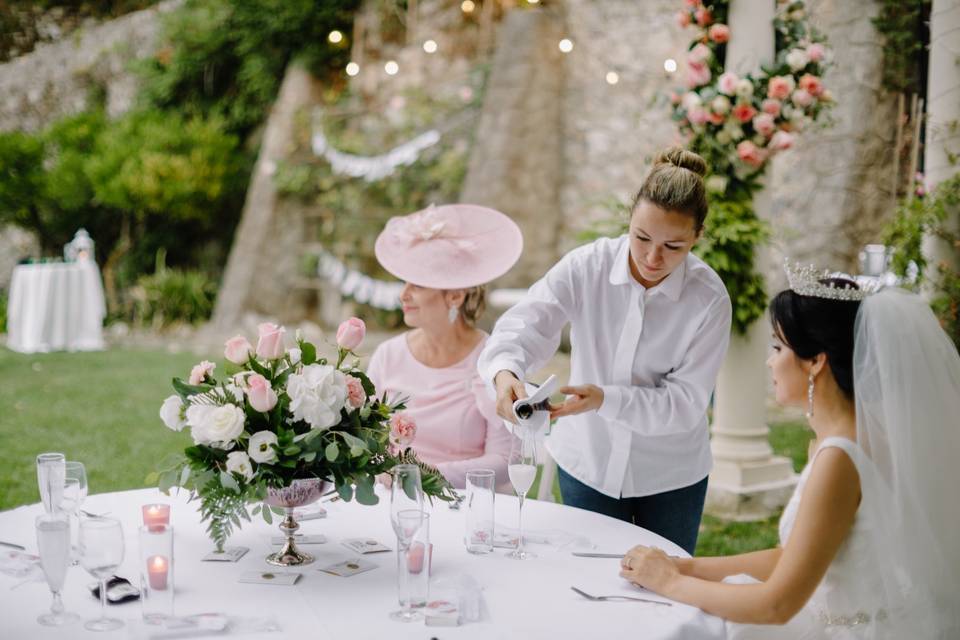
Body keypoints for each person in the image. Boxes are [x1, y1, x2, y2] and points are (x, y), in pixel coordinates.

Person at [618, 274, 960, 639]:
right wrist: (687, 567)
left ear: (815, 361)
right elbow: (791, 557)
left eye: (778, 348)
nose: (769, 362)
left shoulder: (840, 457)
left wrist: (669, 582)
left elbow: (777, 606)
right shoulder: (852, 439)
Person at [478, 147, 732, 555]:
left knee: (664, 595)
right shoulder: (586, 267)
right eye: (642, 237)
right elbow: (524, 324)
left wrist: (605, 399)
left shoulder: (709, 299)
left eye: (674, 246)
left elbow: (686, 403)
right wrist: (506, 372)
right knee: (587, 588)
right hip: (587, 465)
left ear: (698, 237)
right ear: (629, 219)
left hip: (672, 475)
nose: (652, 257)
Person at [366, 203, 522, 490]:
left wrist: (422, 475)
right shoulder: (388, 355)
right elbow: (366, 440)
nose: (404, 294)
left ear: (455, 297)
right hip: (391, 502)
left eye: (418, 284)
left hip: (465, 506)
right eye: (404, 282)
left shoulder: (494, 362)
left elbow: (506, 462)